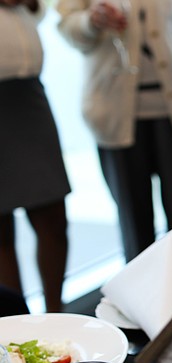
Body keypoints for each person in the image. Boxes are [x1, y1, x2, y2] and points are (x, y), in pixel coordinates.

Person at [55, 0, 172, 262]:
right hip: (114, 112)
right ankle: (143, 287)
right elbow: (66, 26)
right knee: (134, 225)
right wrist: (91, 21)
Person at [0, 0, 72, 313]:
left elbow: (37, 9)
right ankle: (14, 323)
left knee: (54, 218)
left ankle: (56, 314)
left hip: (28, 95)